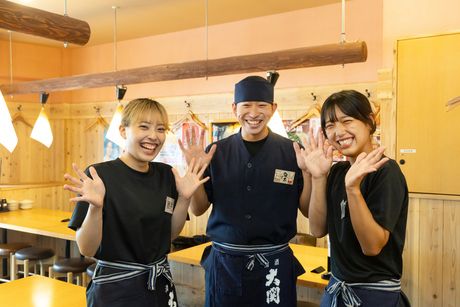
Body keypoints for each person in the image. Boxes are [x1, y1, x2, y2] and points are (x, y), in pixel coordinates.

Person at [179, 75, 312, 306]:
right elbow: (198, 209)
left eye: (261, 105)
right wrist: (194, 172)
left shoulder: (292, 152)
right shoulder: (216, 151)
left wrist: (313, 175)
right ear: (234, 108)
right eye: (246, 105)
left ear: (273, 108)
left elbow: (308, 209)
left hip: (275, 264)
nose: (254, 112)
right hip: (225, 265)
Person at [65, 98, 210, 307]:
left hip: (159, 284)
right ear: (123, 131)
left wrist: (185, 198)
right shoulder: (99, 175)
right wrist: (96, 207)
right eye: (144, 127)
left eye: (161, 129)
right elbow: (87, 248)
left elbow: (169, 234)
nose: (154, 136)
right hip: (116, 289)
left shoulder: (166, 175)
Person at [298, 90, 409, 307]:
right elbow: (317, 229)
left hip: (373, 296)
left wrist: (353, 189)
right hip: (336, 288)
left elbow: (372, 246)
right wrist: (319, 177)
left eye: (347, 121)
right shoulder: (338, 171)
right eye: (330, 126)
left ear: (369, 122)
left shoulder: (387, 172)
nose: (338, 131)